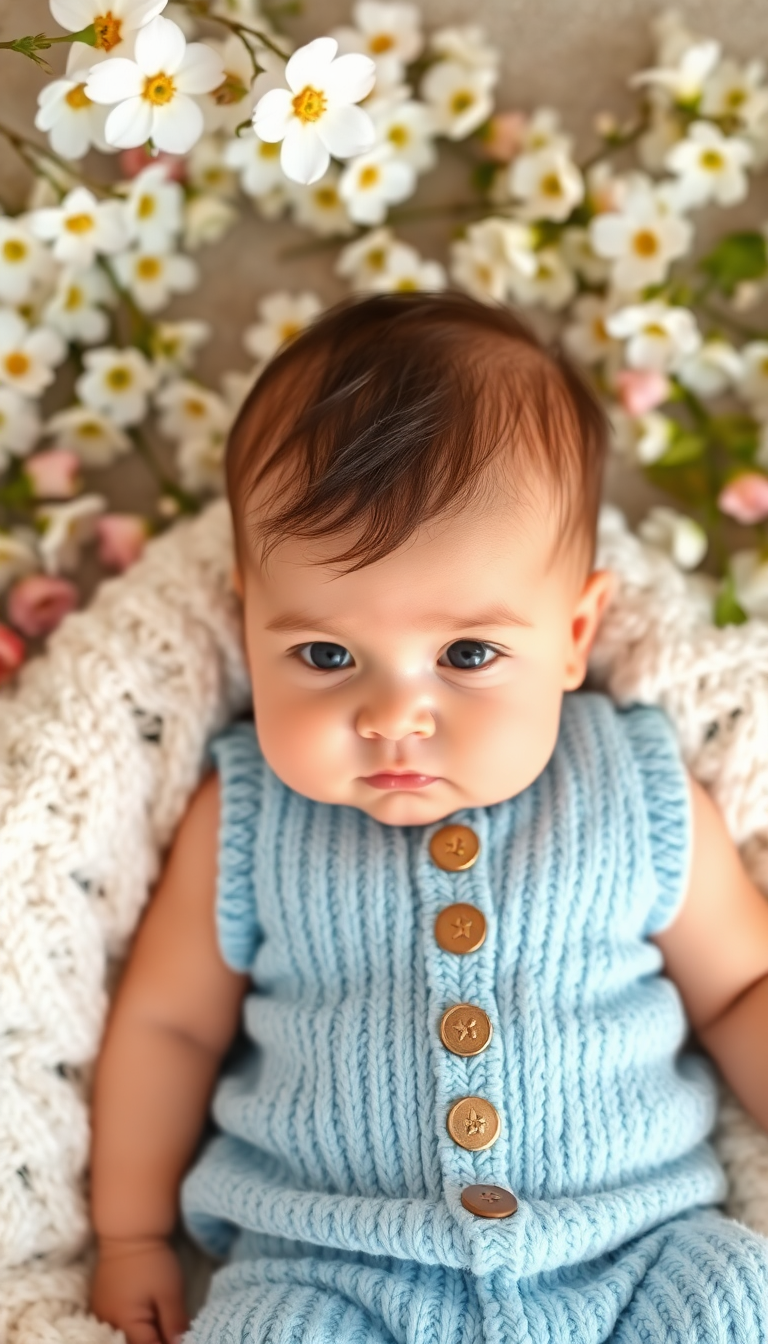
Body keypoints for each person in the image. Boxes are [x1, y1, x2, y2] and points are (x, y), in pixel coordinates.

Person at [89, 293, 768, 1344]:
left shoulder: (637, 787)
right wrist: (129, 1235)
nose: (393, 715)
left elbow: (743, 988)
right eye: (323, 656)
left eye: (467, 655)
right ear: (247, 623)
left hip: (634, 1252)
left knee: (735, 1299)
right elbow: (169, 1026)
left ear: (574, 633)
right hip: (330, 1272)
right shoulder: (246, 818)